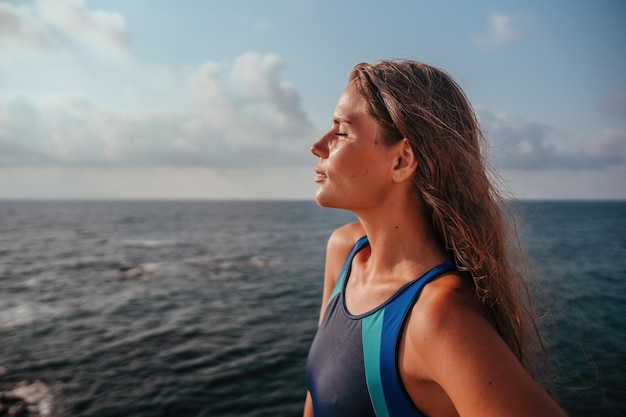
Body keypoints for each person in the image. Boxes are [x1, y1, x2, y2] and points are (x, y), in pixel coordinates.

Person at [303, 60, 567, 417]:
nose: (318, 146)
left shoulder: (437, 316)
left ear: (402, 161)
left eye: (341, 131)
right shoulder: (345, 253)